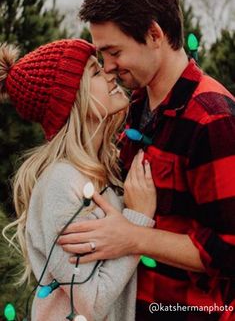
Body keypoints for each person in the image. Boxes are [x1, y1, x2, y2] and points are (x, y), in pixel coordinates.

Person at [57, 0, 235, 321]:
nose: (107, 67)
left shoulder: (213, 118)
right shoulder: (134, 106)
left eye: (114, 52)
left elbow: (230, 250)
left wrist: (133, 237)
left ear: (154, 34)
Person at [0, 39, 157, 321]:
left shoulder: (106, 169)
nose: (110, 72)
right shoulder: (62, 183)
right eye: (96, 72)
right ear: (73, 100)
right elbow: (90, 302)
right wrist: (138, 221)